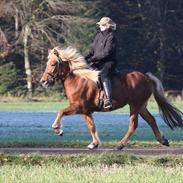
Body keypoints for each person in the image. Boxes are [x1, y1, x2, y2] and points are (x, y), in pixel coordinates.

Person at [85, 17, 117, 109]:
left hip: (109, 62)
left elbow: (107, 52)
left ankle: (108, 100)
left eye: (101, 25)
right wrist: (84, 58)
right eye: (100, 25)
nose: (100, 27)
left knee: (104, 75)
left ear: (107, 26)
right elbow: (92, 50)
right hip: (98, 62)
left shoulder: (111, 37)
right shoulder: (98, 35)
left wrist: (93, 59)